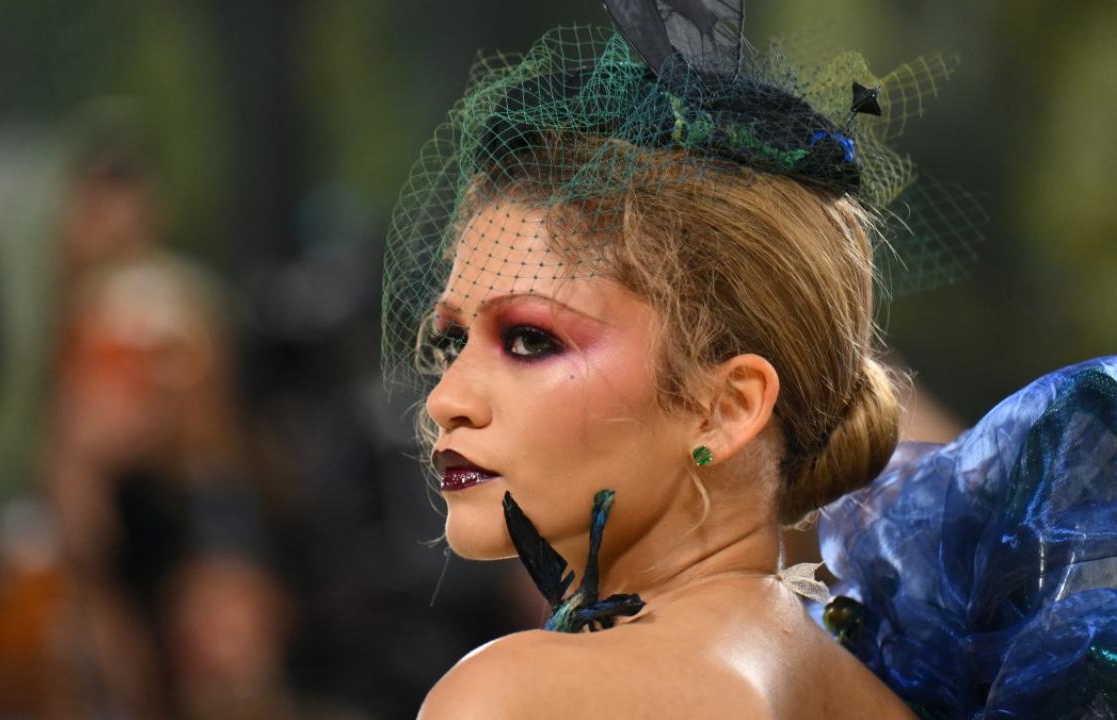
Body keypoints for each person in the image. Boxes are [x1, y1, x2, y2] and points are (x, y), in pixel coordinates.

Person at [379, 3, 1116, 718]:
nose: (448, 397)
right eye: (453, 341)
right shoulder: (859, 688)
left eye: (531, 340)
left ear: (727, 406)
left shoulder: (519, 697)